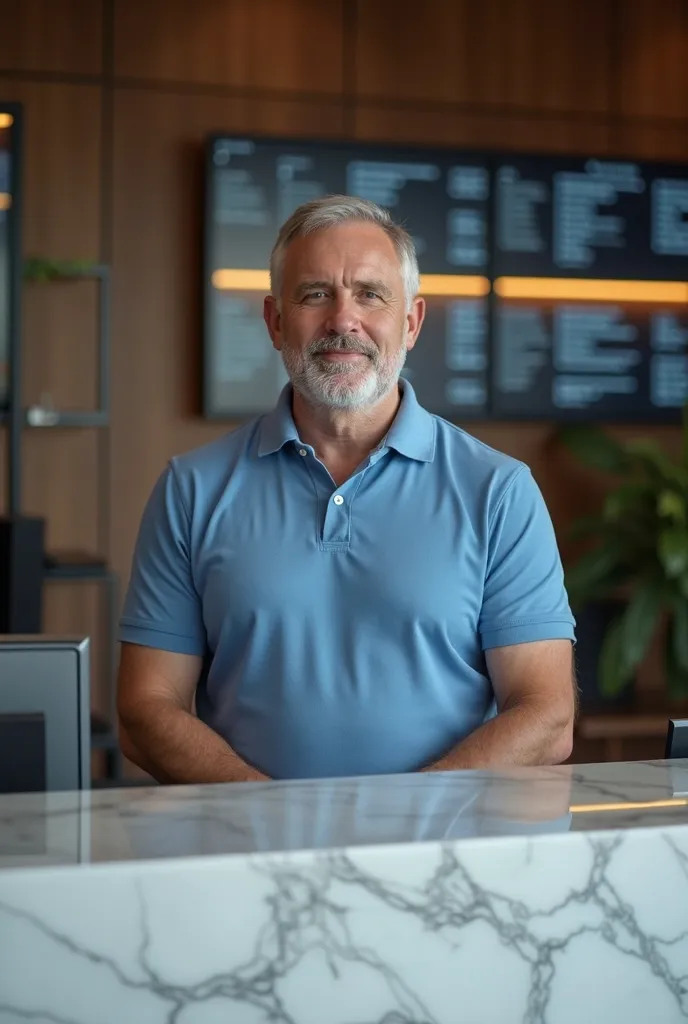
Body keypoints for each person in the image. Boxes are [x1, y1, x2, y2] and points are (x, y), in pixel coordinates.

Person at [116, 194, 577, 784]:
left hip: (445, 856)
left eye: (370, 294)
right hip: (250, 856)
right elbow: (145, 710)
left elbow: (546, 715)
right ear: (275, 321)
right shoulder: (191, 489)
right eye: (314, 294)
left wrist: (401, 826)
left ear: (410, 323)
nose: (342, 319)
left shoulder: (499, 492)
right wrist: (276, 824)